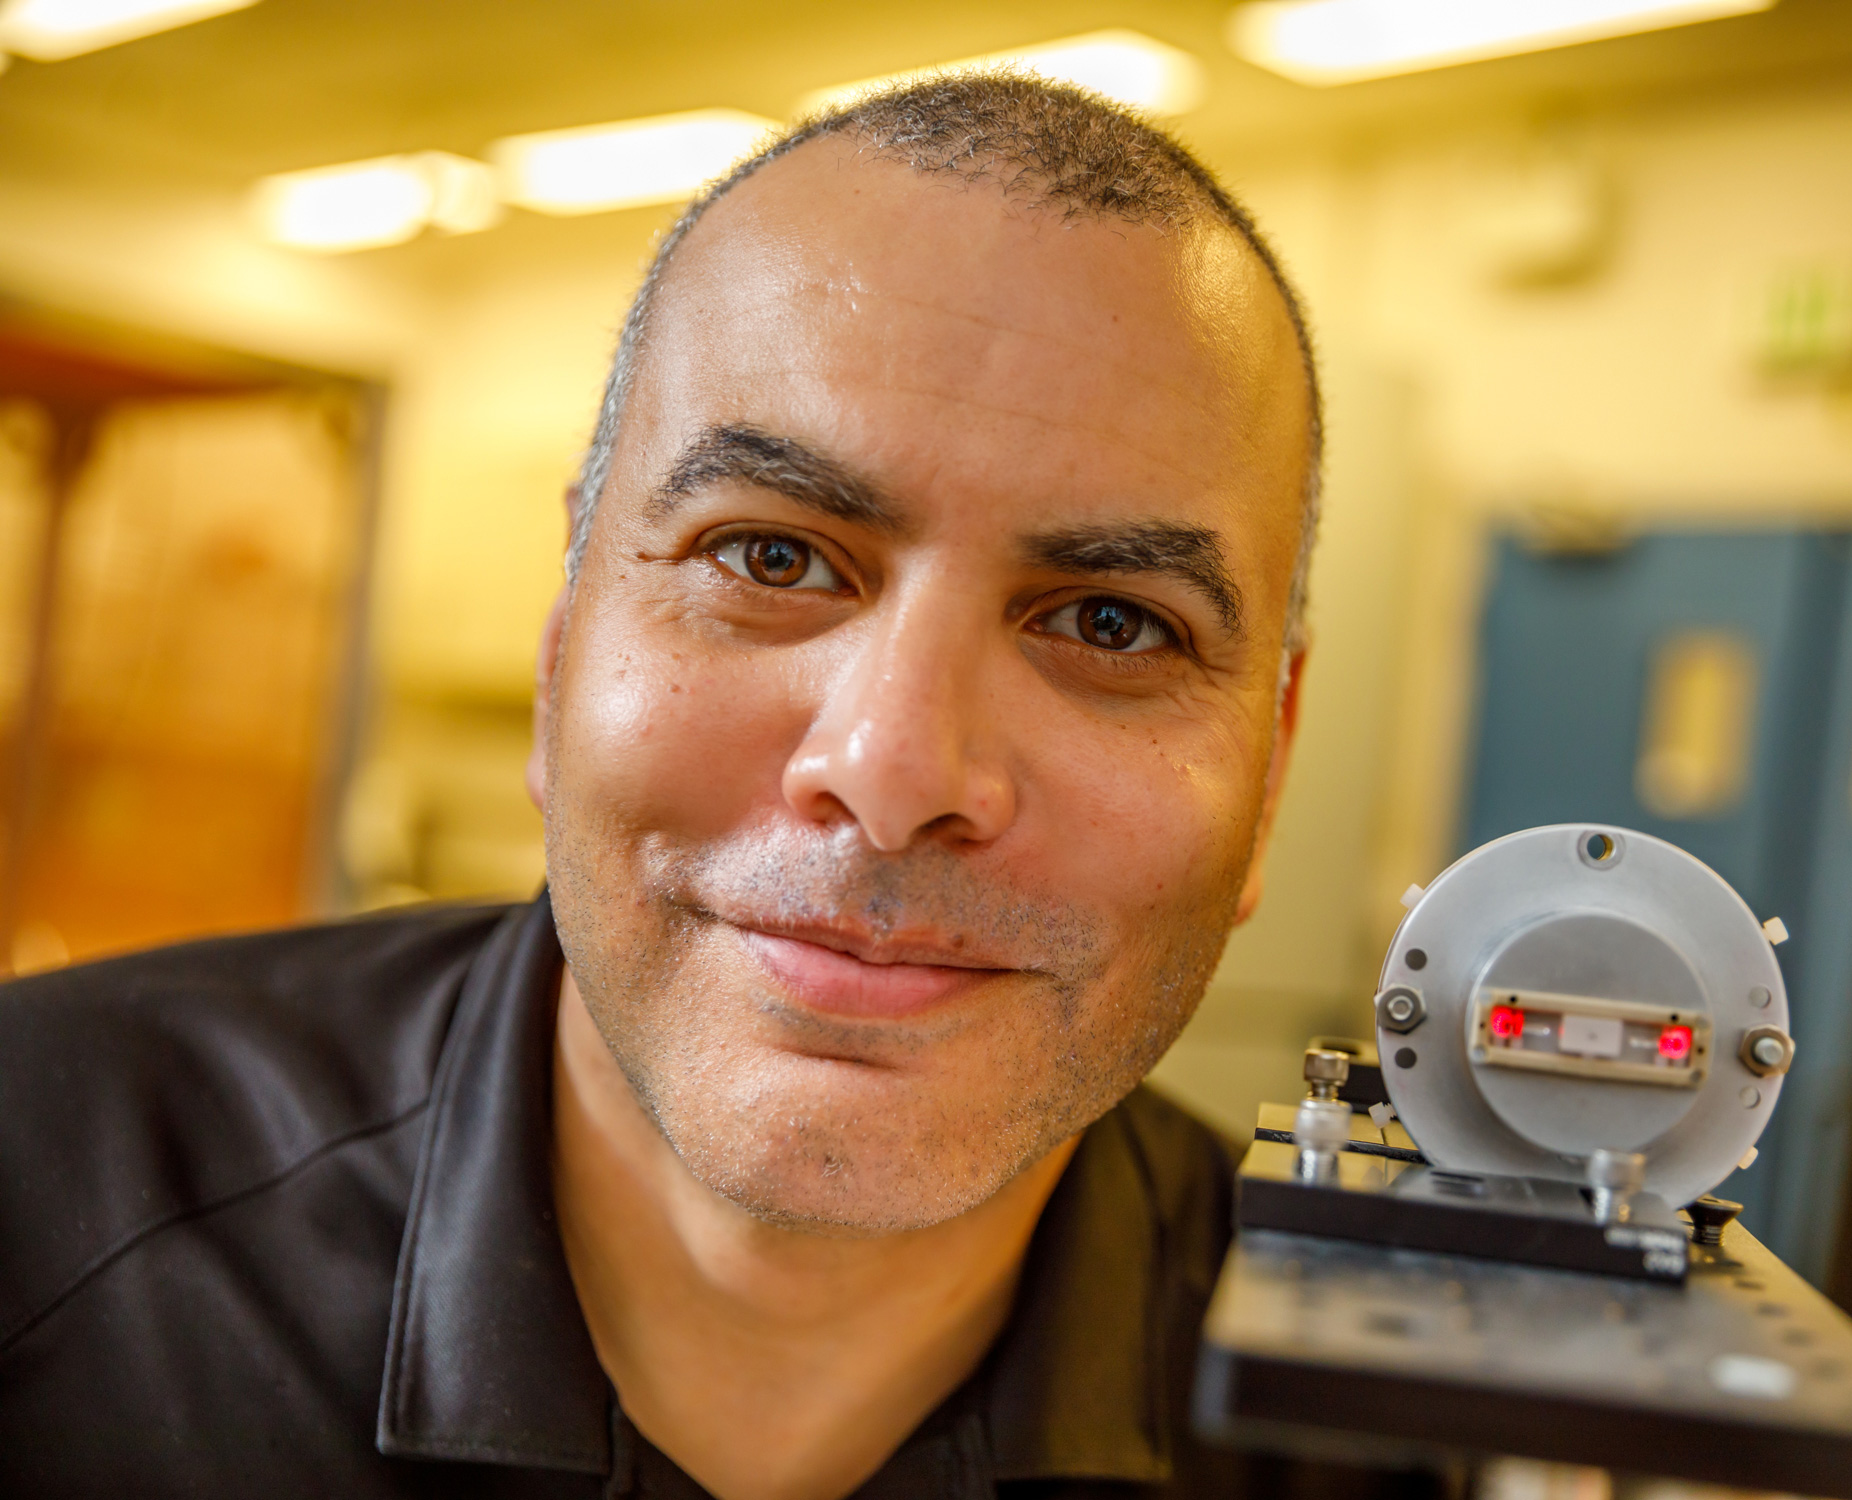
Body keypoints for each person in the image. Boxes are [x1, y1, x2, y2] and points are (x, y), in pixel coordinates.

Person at [0, 75, 1437, 1500]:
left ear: (1273, 768)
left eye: (1111, 624)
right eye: (771, 558)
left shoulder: (1388, 1430)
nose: (892, 775)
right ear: (564, 646)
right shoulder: (37, 1193)